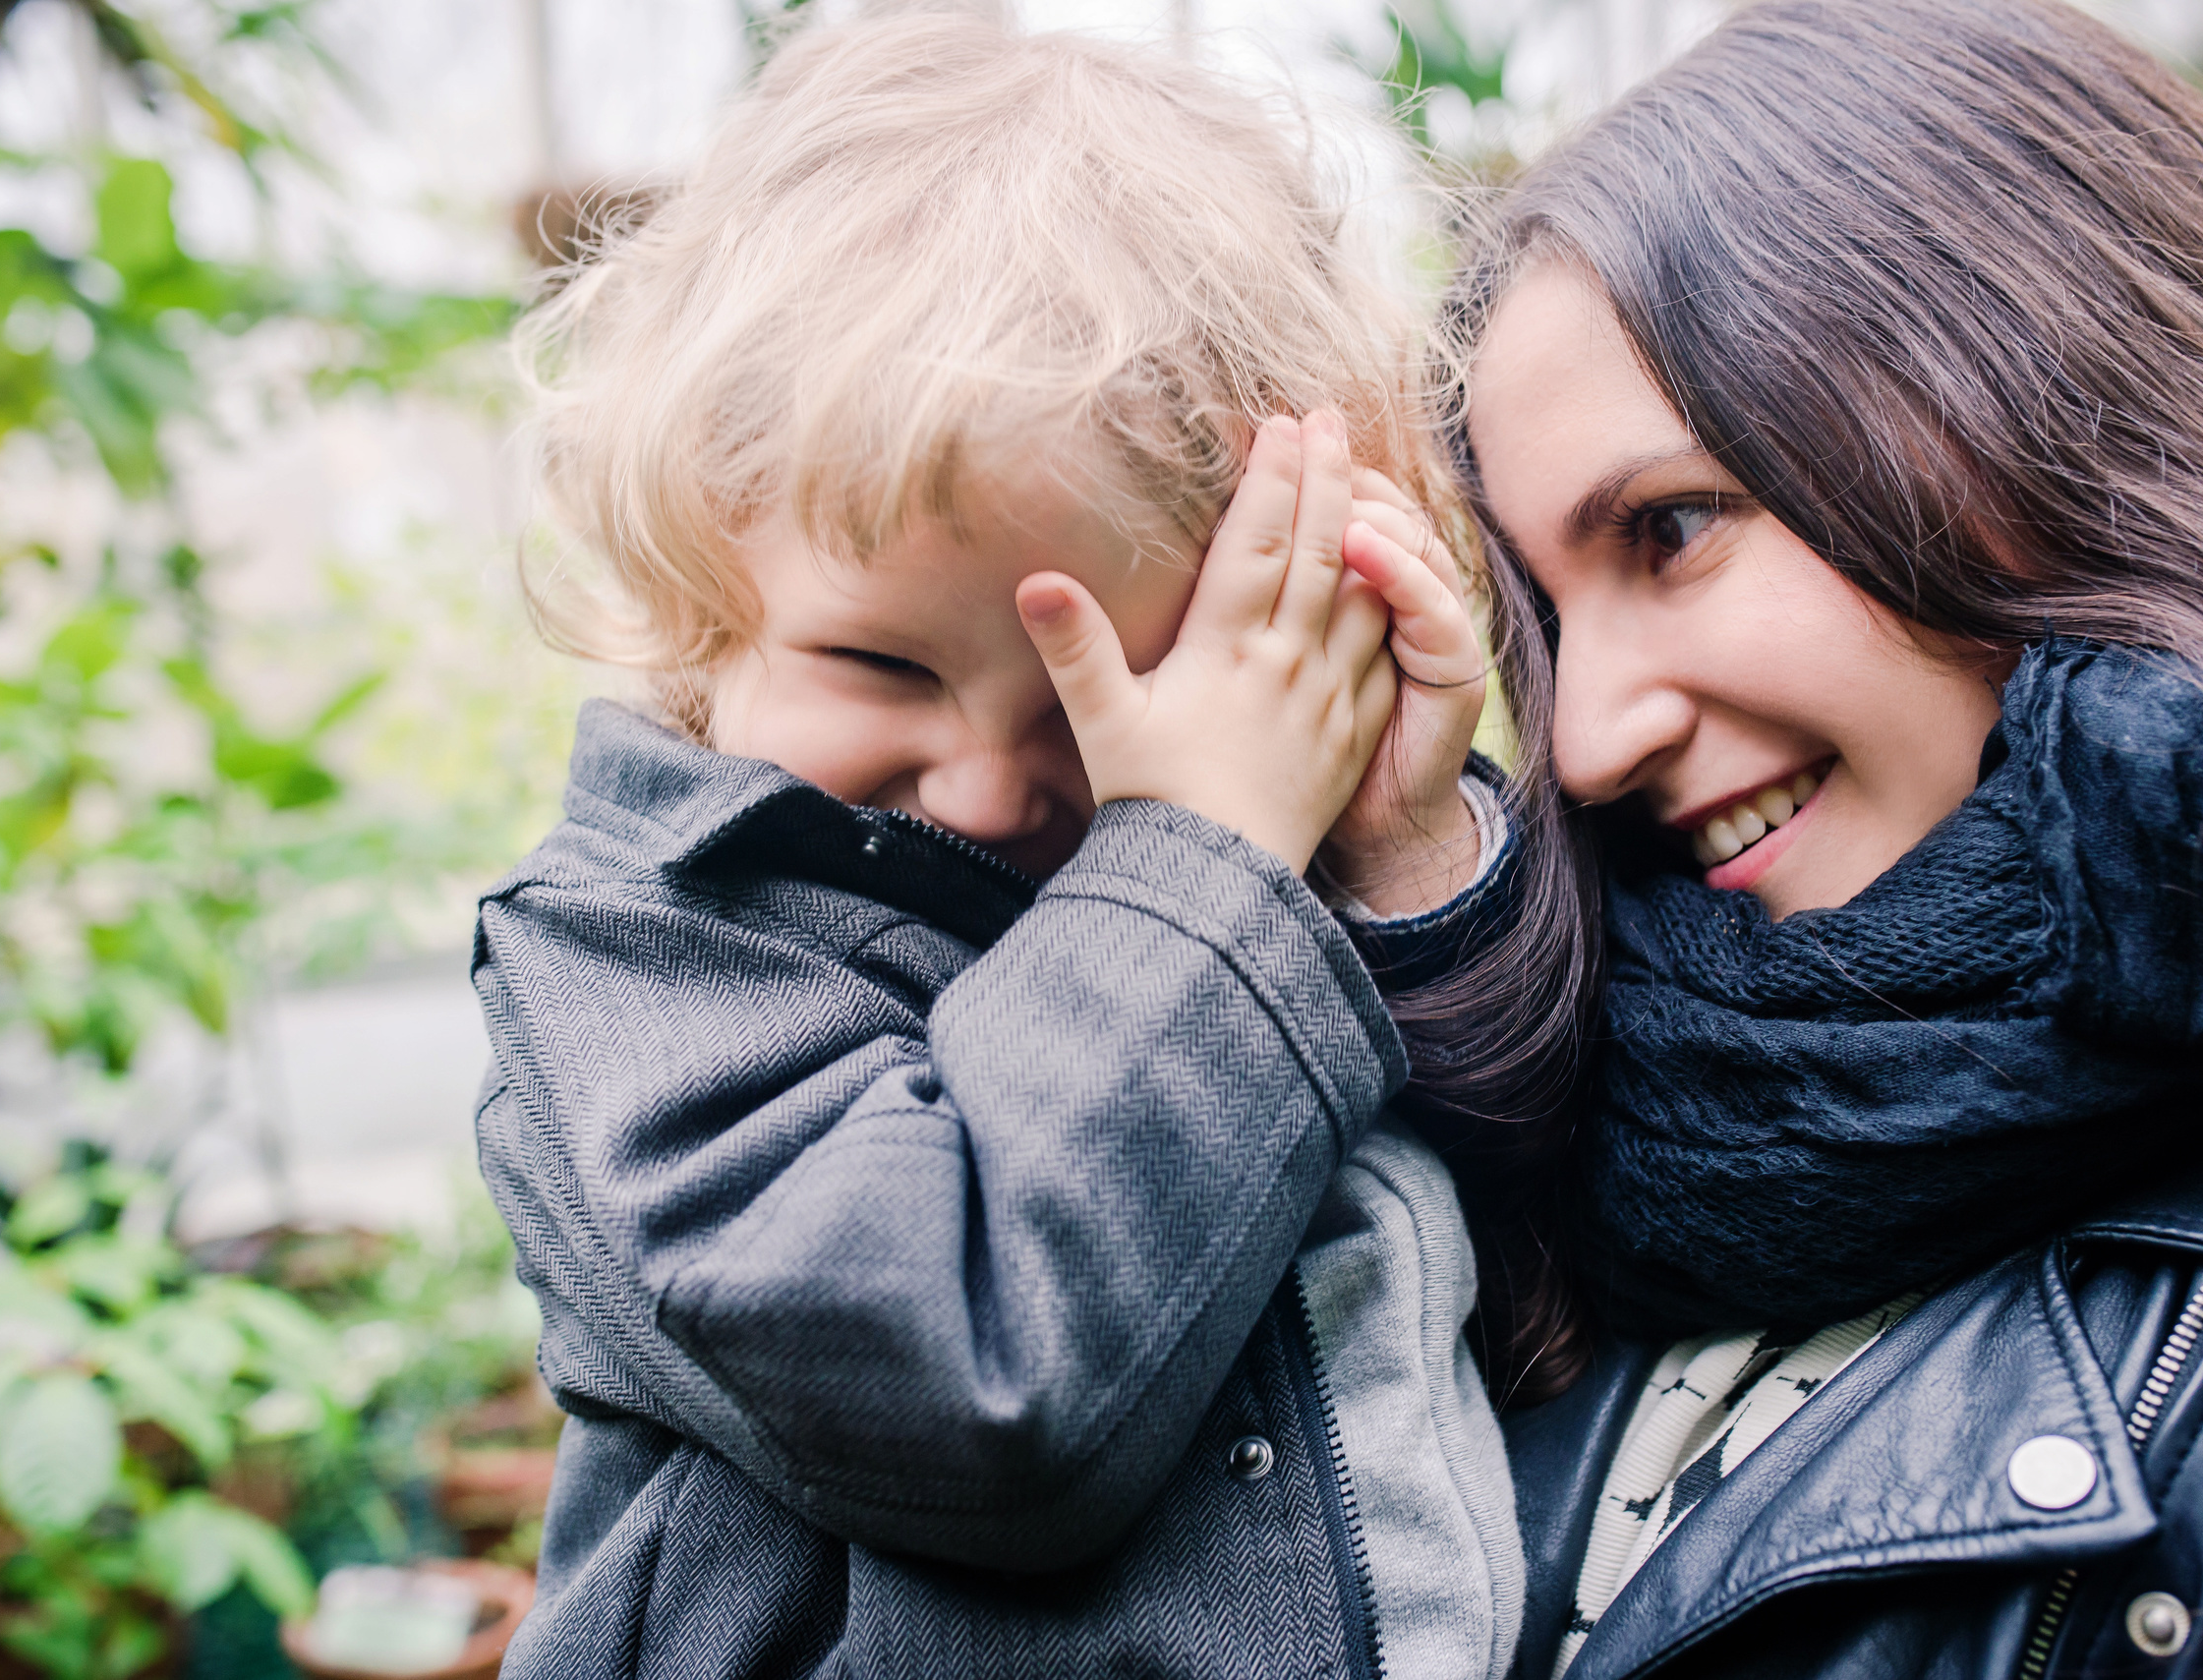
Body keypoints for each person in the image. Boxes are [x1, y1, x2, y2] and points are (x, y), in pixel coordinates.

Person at [1370, 0, 2203, 1674]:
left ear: (2051, 410)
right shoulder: (1541, 1152)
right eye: (1546, 609)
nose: (1585, 743)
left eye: (1672, 529)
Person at [472, 15, 1518, 1678]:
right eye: (879, 665)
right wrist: (1197, 845)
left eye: (1113, 689)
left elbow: (1572, 1251)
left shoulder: (1259, 871)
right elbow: (964, 1372)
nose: (979, 786)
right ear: (694, 601)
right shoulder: (633, 957)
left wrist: (1404, 853)